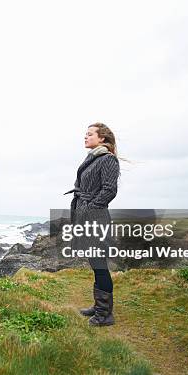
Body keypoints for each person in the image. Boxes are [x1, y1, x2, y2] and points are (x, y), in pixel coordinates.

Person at [64, 122, 120, 326]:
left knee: (99, 265)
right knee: (95, 264)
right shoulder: (93, 158)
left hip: (95, 218)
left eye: (89, 134)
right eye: (85, 134)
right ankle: (100, 307)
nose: (85, 137)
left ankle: (105, 314)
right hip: (86, 216)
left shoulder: (107, 160)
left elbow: (109, 191)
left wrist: (89, 208)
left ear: (102, 138)